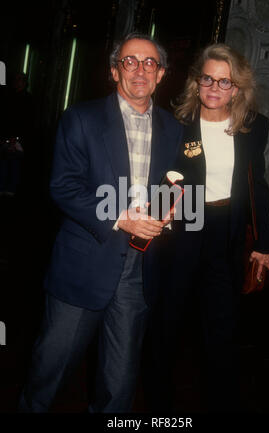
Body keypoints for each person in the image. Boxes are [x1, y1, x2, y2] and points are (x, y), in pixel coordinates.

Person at [18, 32, 183, 413]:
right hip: (84, 263)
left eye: (149, 63)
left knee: (119, 382)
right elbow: (62, 186)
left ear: (160, 74)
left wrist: (169, 214)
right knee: (49, 371)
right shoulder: (81, 118)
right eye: (129, 61)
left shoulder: (174, 129)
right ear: (114, 71)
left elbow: (174, 185)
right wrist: (121, 218)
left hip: (140, 270)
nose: (139, 70)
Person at [142, 43, 269, 412]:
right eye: (208, 79)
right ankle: (158, 407)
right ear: (196, 81)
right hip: (183, 230)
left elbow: (256, 184)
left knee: (221, 330)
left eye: (225, 82)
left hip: (226, 233)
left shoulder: (253, 127)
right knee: (167, 325)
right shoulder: (175, 123)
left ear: (237, 88)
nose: (215, 88)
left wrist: (265, 238)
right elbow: (156, 179)